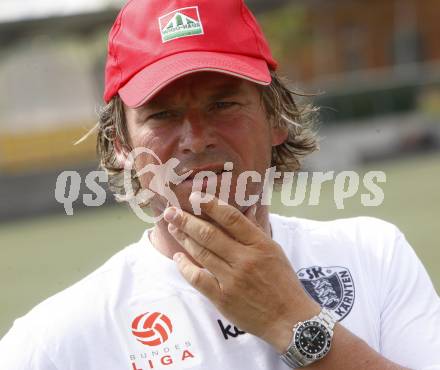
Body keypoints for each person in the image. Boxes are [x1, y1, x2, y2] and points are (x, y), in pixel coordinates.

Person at [1, 0, 439, 369]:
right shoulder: (53, 343)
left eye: (223, 103)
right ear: (121, 144)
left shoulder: (374, 256)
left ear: (275, 120)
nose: (197, 138)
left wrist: (293, 320)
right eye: (162, 114)